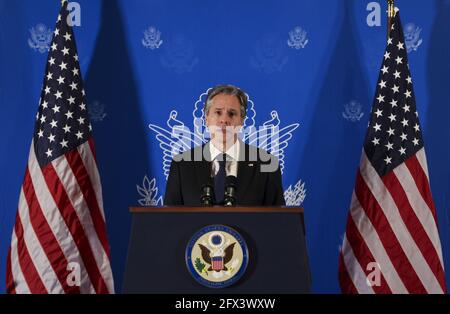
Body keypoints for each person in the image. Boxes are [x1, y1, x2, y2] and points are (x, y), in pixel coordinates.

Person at [164, 84, 285, 206]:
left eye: (232, 114)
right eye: (218, 112)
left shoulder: (267, 164)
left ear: (242, 120)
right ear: (206, 118)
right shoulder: (182, 165)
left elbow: (278, 221)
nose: (224, 120)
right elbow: (170, 221)